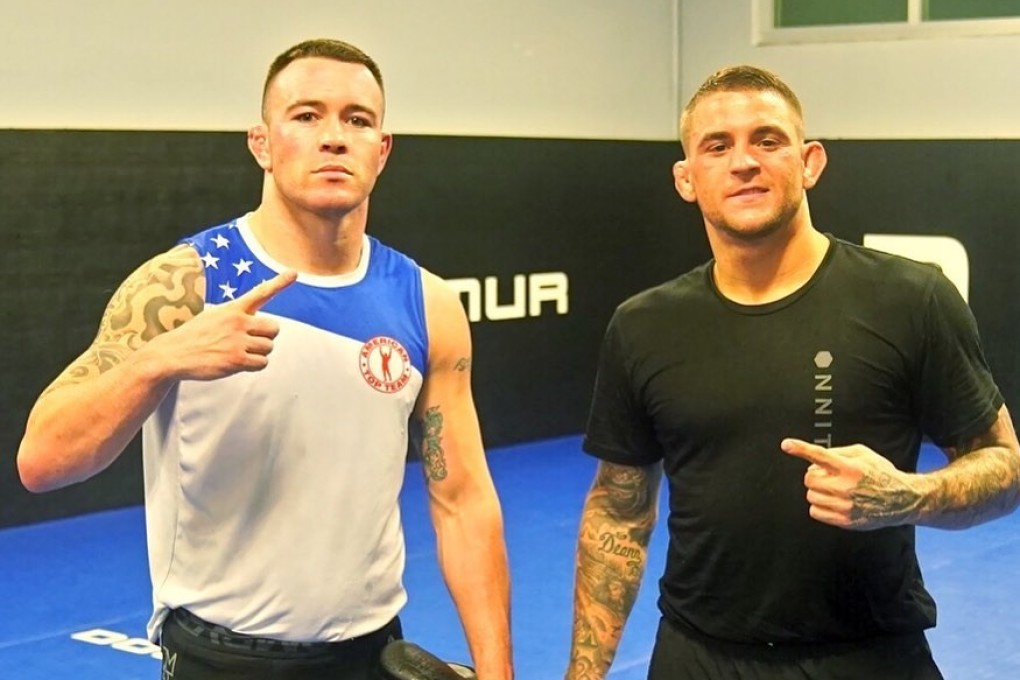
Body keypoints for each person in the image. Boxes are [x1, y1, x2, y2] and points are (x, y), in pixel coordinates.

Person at [17, 38, 513, 680]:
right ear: (261, 142)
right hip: (220, 659)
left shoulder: (427, 303)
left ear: (381, 150)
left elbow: (464, 500)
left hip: (372, 653)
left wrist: (498, 671)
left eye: (357, 120)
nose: (333, 137)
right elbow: (42, 460)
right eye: (306, 116)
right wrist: (158, 361)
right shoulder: (184, 284)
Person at [565, 64, 1020, 680]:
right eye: (717, 146)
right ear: (686, 179)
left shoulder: (911, 299)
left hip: (868, 657)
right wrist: (583, 675)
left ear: (810, 162)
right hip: (697, 658)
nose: (744, 161)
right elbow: (619, 511)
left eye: (767, 140)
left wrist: (909, 497)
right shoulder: (642, 325)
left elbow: (1005, 464)